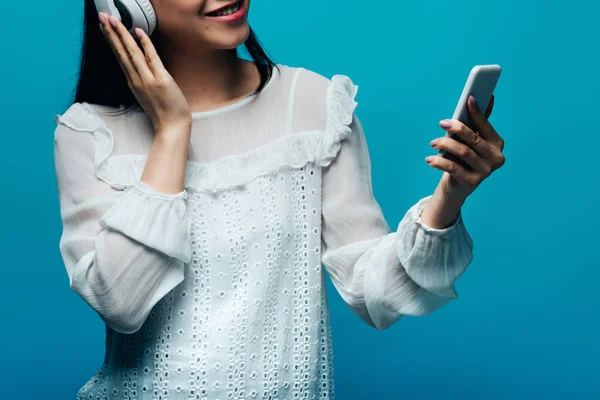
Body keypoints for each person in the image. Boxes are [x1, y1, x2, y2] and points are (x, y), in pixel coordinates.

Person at [53, 0, 506, 398]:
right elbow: (121, 303)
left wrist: (450, 196)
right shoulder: (89, 132)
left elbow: (375, 294)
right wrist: (172, 132)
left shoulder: (314, 104)